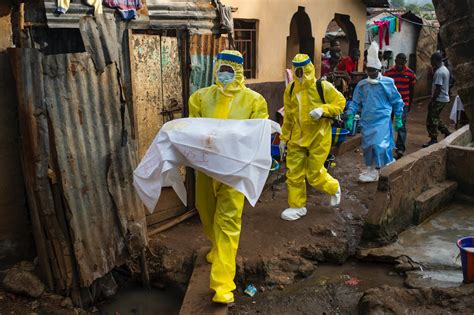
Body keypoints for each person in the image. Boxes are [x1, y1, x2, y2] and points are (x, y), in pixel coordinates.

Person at [188, 50, 268, 304]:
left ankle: (223, 285)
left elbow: (259, 135)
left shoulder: (254, 101)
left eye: (229, 71)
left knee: (228, 223)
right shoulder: (200, 98)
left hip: (235, 172)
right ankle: (216, 247)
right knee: (206, 211)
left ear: (239, 72)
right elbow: (193, 128)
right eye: (221, 69)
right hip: (206, 169)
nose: (224, 75)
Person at [279, 53, 345, 221]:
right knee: (293, 173)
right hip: (297, 138)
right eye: (297, 71)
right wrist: (283, 138)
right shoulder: (291, 89)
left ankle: (333, 186)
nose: (300, 75)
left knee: (314, 174)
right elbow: (288, 117)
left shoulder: (322, 87)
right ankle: (297, 206)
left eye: (303, 71)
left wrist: (323, 110)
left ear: (309, 69)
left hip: (319, 136)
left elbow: (340, 103)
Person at [345, 42, 404, 182]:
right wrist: (350, 114)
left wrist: (399, 117)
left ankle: (381, 168)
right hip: (367, 120)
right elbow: (355, 102)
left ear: (378, 69)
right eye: (369, 70)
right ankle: (371, 169)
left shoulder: (388, 83)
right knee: (367, 146)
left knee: (379, 144)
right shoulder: (362, 85)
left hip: (382, 119)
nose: (370, 73)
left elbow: (397, 100)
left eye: (373, 70)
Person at [384, 53, 417, 158]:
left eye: (402, 63)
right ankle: (386, 145)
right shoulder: (388, 73)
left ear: (405, 62)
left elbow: (412, 90)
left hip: (403, 103)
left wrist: (410, 104)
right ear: (395, 61)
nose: (399, 65)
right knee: (387, 123)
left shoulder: (411, 74)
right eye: (398, 62)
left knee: (401, 125)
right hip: (390, 103)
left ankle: (400, 149)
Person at [423, 52, 451, 147]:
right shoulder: (444, 69)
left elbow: (438, 88)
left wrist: (433, 100)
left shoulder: (439, 72)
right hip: (443, 98)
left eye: (431, 60)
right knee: (435, 117)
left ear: (435, 60)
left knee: (431, 118)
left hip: (439, 98)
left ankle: (434, 138)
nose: (431, 62)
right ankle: (446, 132)